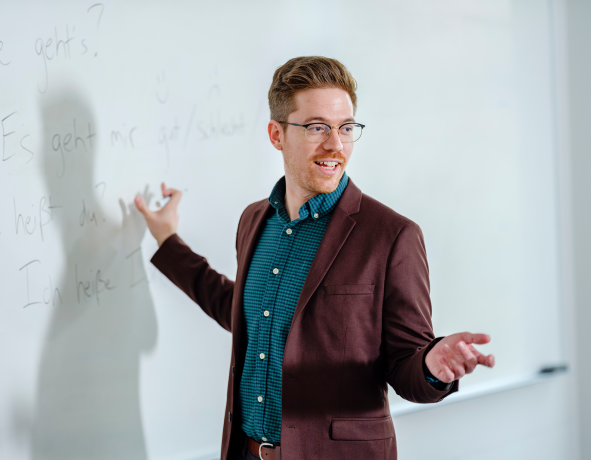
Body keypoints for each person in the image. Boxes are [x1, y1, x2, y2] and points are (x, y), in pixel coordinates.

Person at [134, 56, 495, 460]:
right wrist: (166, 238)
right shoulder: (255, 220)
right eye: (317, 127)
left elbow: (404, 366)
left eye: (346, 128)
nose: (335, 145)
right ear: (276, 134)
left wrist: (430, 364)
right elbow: (239, 310)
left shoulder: (392, 236)